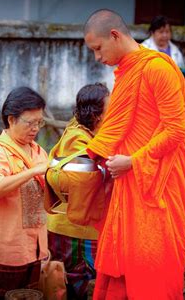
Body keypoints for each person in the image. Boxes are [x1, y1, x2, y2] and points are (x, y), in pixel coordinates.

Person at [83, 9, 185, 299]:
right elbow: (121, 128)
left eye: (98, 48)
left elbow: (176, 130)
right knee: (126, 258)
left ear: (115, 35)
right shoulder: (128, 72)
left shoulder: (157, 68)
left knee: (151, 262)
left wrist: (133, 161)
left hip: (159, 185)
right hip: (131, 182)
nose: (97, 57)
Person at [0, 87, 49, 299]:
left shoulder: (37, 150)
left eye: (39, 122)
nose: (35, 128)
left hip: (31, 239)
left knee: (27, 292)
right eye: (30, 122)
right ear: (11, 120)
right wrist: (33, 171)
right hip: (0, 240)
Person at [47, 83, 110, 299]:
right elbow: (86, 178)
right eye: (110, 107)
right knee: (75, 283)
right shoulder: (77, 138)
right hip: (72, 228)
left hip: (82, 225)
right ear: (97, 115)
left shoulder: (91, 132)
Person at [141, 15, 185, 80]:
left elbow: (180, 73)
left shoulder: (175, 51)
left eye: (167, 31)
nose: (165, 35)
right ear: (152, 33)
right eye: (161, 32)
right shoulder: (144, 48)